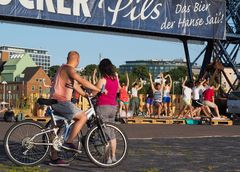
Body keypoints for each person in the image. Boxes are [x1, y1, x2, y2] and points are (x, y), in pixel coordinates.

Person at [49, 51, 103, 166]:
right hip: (62, 101)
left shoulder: (63, 70)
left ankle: (54, 158)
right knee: (83, 117)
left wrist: (86, 95)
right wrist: (98, 89)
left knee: (60, 130)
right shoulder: (69, 69)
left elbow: (76, 86)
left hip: (57, 101)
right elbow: (82, 81)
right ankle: (69, 143)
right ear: (77, 60)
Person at [93, 58, 118, 164]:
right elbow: (117, 90)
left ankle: (107, 158)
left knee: (104, 134)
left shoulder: (103, 80)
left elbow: (93, 93)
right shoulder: (115, 79)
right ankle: (113, 156)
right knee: (112, 133)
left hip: (103, 107)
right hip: (113, 107)